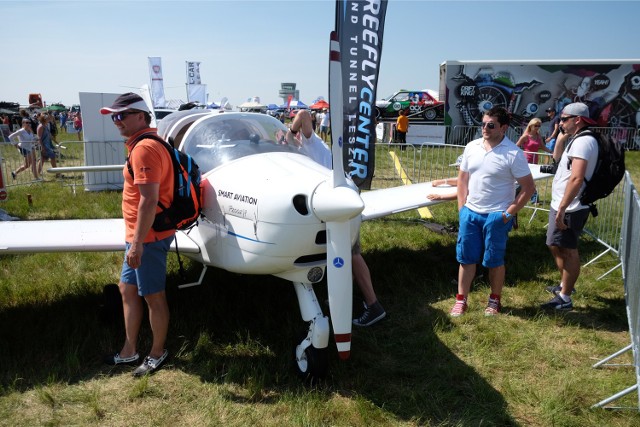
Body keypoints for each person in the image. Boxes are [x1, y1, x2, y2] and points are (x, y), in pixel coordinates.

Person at [288, 110, 386, 326]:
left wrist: (290, 131)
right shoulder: (309, 147)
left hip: (341, 199)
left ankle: (373, 305)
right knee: (343, 250)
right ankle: (342, 297)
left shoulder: (309, 141)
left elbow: (304, 114)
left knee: (351, 252)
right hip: (339, 196)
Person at [100, 92, 174, 375]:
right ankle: (129, 350)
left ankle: (157, 353)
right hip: (139, 236)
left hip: (148, 238)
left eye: (122, 115)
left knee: (153, 296)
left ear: (141, 116)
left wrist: (137, 244)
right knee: (126, 290)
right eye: (114, 116)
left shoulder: (144, 148)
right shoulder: (143, 145)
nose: (116, 121)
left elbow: (148, 200)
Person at [450, 106, 535, 317]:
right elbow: (462, 180)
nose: (485, 128)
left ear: (503, 128)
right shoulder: (472, 147)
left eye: (491, 125)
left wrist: (509, 213)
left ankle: (494, 300)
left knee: (494, 260)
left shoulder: (513, 153)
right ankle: (461, 300)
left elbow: (528, 188)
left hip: (497, 215)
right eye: (483, 124)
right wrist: (462, 209)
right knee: (466, 258)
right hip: (470, 213)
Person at [540, 103, 599, 311]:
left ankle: (565, 298)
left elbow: (576, 178)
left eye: (564, 119)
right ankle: (566, 284)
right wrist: (562, 137)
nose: (560, 122)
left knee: (569, 250)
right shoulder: (575, 139)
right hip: (564, 204)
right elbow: (557, 160)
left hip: (571, 206)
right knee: (555, 244)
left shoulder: (584, 142)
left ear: (578, 120)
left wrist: (563, 208)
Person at [516, 118, 552, 203]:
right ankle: (534, 198)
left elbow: (542, 147)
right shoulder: (525, 136)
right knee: (527, 179)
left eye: (539, 126)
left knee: (532, 179)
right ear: (531, 126)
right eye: (536, 125)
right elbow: (516, 146)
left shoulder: (538, 136)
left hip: (535, 159)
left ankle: (529, 197)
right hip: (526, 159)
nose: (537, 127)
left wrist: (551, 152)